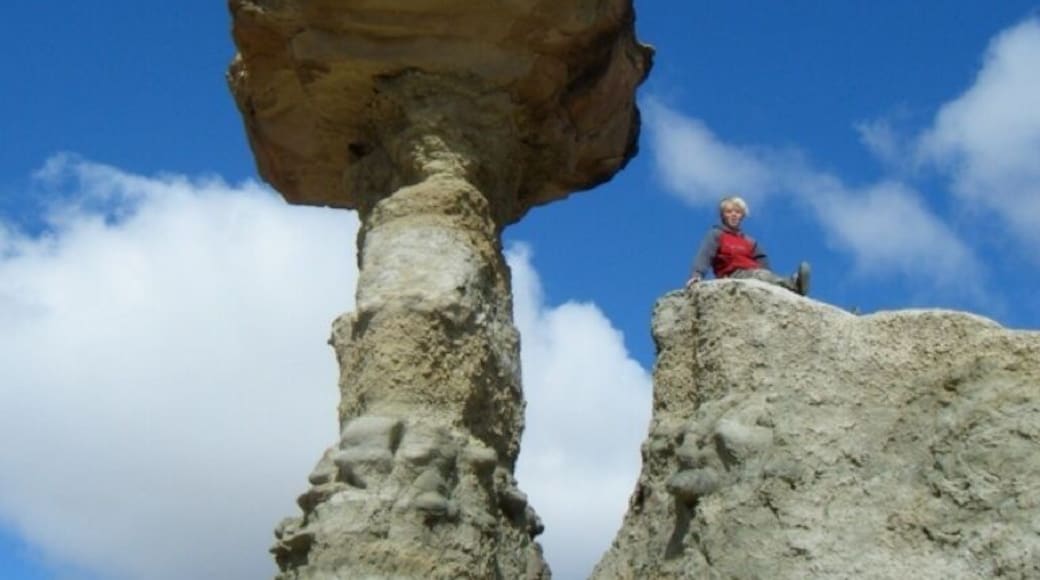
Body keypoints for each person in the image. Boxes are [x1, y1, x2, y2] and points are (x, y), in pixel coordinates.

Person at [686, 195, 810, 295]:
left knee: (762, 275)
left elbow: (762, 260)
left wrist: (769, 279)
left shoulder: (749, 241)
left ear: (742, 216)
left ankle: (787, 286)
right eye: (729, 211)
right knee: (759, 275)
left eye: (738, 212)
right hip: (732, 274)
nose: (734, 214)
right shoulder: (716, 235)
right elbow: (704, 255)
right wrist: (697, 275)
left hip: (754, 273)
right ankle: (794, 284)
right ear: (723, 215)